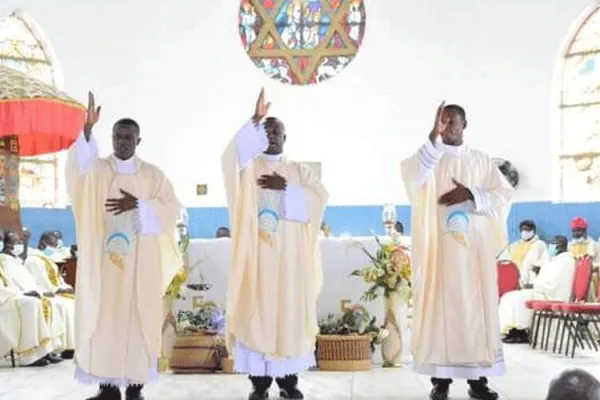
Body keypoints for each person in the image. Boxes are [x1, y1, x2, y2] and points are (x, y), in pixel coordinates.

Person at [66, 92, 183, 400]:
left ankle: (135, 388)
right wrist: (87, 131)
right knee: (105, 323)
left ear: (138, 140)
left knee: (138, 323)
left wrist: (140, 205)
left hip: (140, 268)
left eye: (128, 137)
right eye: (117, 137)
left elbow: (172, 207)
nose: (121, 142)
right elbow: (77, 175)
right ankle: (107, 388)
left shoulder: (153, 175)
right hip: (106, 268)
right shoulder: (99, 170)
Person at [401, 102, 514, 400]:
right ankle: (441, 381)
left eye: (454, 122)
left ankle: (478, 381)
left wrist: (472, 194)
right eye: (443, 122)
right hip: (440, 252)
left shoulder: (481, 161)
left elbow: (503, 194)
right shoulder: (430, 158)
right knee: (441, 310)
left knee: (475, 312)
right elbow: (414, 177)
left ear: (465, 125)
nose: (448, 127)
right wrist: (431, 137)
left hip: (473, 253)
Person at [222, 88, 328, 400]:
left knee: (289, 317)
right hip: (257, 259)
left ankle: (288, 381)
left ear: (285, 137)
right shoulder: (248, 169)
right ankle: (259, 383)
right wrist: (254, 119)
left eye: (275, 130)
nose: (271, 135)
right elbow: (230, 159)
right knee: (258, 313)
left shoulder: (299, 171)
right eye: (265, 130)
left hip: (291, 262)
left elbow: (319, 199)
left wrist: (289, 189)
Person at [0, 229, 67, 366]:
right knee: (32, 304)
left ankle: (44, 350)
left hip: (10, 296)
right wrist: (20, 294)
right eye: (16, 242)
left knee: (44, 302)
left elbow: (12, 283)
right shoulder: (5, 262)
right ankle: (28, 355)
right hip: (5, 300)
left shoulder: (14, 262)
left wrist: (25, 293)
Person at [498, 235, 574, 343]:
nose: (550, 246)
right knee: (510, 296)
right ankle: (513, 330)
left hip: (551, 296)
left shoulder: (566, 261)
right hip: (543, 291)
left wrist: (534, 284)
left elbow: (554, 285)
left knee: (516, 298)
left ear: (560, 246)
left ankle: (519, 331)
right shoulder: (556, 260)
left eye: (553, 244)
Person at [24, 230, 76, 358]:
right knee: (64, 306)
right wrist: (56, 290)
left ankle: (74, 346)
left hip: (56, 292)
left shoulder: (48, 260)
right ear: (44, 242)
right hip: (46, 294)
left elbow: (58, 279)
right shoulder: (33, 260)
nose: (54, 248)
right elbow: (40, 283)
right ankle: (63, 347)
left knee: (75, 303)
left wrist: (66, 287)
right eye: (53, 245)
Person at [498, 220, 548, 287]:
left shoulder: (540, 245)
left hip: (527, 280)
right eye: (522, 230)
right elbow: (502, 258)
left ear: (533, 231)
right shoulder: (515, 245)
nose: (524, 232)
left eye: (527, 229)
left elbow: (543, 262)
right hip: (510, 276)